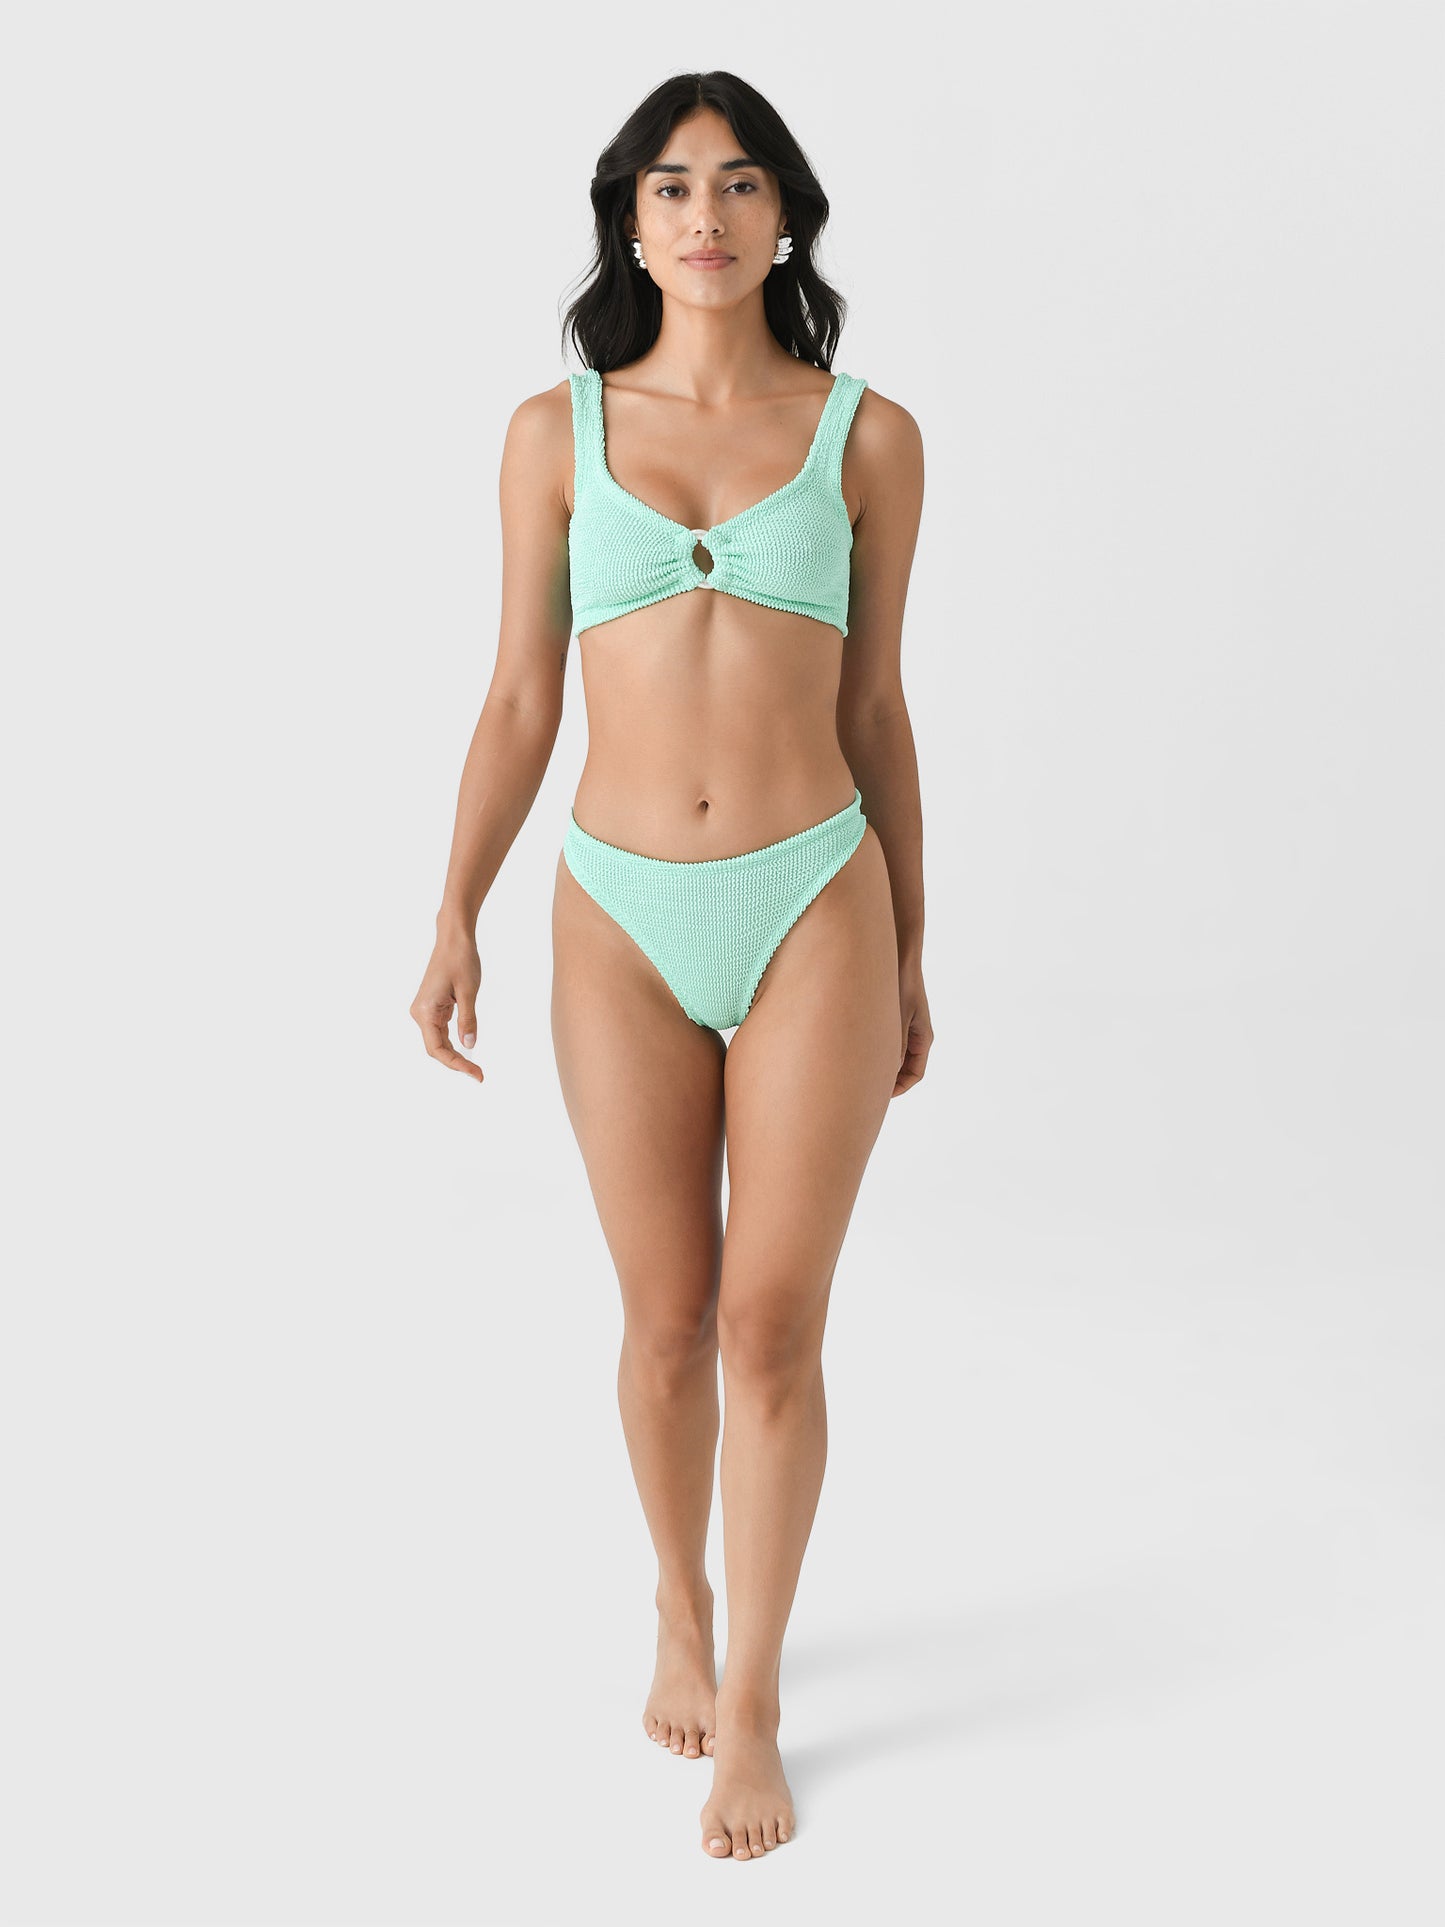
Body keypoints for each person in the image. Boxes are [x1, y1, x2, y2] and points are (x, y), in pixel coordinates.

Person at [411, 70, 932, 1862]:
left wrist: (911, 947)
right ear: (627, 222)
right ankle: (677, 1601)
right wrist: (453, 909)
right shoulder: (551, 433)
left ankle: (757, 1700)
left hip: (813, 900)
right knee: (665, 1323)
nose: (704, 218)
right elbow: (517, 697)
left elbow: (876, 707)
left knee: (773, 1327)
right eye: (669, 187)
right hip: (617, 913)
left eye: (739, 184)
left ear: (785, 218)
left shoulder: (868, 436)